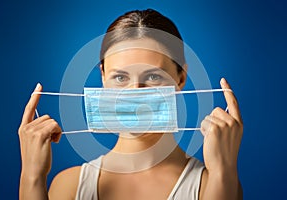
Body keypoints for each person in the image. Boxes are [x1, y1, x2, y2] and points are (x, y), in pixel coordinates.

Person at [18, 9, 243, 200]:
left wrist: (223, 171)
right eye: (120, 78)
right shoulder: (69, 186)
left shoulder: (212, 184)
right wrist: (32, 176)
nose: (135, 92)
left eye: (153, 77)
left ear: (181, 78)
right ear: (103, 76)